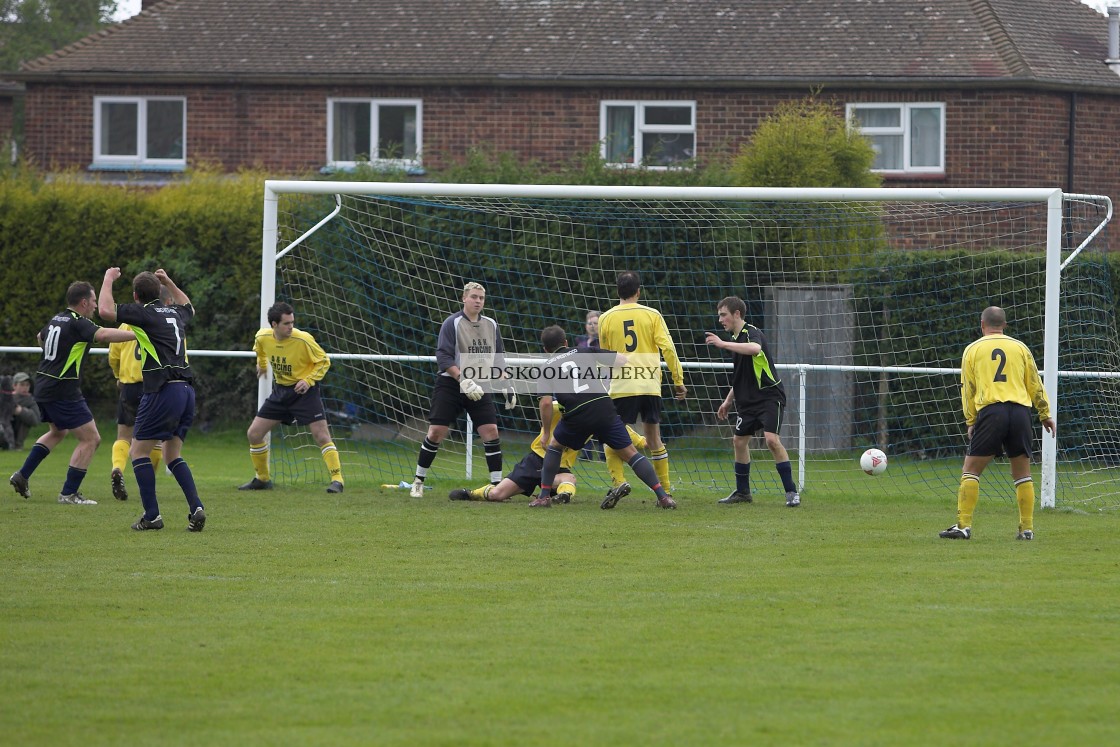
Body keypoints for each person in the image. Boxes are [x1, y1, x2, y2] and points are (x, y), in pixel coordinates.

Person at [98, 268, 206, 532]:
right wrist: (169, 280)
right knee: (172, 455)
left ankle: (152, 516)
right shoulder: (176, 313)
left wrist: (108, 279)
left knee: (137, 451)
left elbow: (105, 311)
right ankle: (196, 508)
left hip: (163, 389)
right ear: (159, 293)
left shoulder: (144, 313)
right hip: (187, 390)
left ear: (136, 296)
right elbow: (188, 306)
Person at [8, 281, 136, 505]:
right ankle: (69, 493)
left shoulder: (57, 318)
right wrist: (138, 335)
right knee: (91, 438)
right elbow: (104, 335)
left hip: (44, 384)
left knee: (58, 432)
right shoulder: (80, 323)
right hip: (63, 388)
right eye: (94, 301)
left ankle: (22, 475)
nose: (96, 306)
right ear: (84, 302)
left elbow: (40, 337)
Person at [939, 306, 1055, 541]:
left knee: (971, 470)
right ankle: (1027, 529)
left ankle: (963, 525)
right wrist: (1045, 414)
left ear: (982, 325)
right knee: (1022, 473)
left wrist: (971, 420)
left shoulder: (972, 350)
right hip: (1021, 413)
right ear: (1005, 326)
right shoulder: (1020, 348)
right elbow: (1035, 383)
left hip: (992, 412)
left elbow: (968, 390)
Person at [529, 325, 675, 510]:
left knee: (555, 447)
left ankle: (543, 497)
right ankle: (663, 497)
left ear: (546, 350)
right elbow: (621, 360)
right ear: (566, 342)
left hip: (577, 414)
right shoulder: (585, 351)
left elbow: (546, 403)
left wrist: (546, 432)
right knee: (631, 453)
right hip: (602, 407)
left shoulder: (547, 367)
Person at [410, 282, 509, 498]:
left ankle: (498, 486)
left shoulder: (491, 324)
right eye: (474, 297)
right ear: (464, 298)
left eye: (481, 298)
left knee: (490, 431)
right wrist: (462, 378)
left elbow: (499, 356)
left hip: (480, 384)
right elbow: (443, 356)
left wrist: (505, 381)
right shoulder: (451, 323)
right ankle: (418, 480)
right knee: (436, 432)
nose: (478, 301)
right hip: (451, 384)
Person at [238, 301, 344, 494]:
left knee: (321, 435)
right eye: (286, 323)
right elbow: (259, 350)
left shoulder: (303, 339)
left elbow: (324, 361)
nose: (291, 327)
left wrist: (308, 380)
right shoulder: (262, 337)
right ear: (274, 325)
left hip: (305, 392)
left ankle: (337, 480)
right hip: (281, 392)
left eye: (292, 322)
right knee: (254, 434)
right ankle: (262, 479)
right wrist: (262, 365)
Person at [704, 296, 801, 507]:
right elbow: (742, 376)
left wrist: (722, 344)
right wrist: (728, 400)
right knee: (739, 441)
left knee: (771, 440)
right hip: (747, 402)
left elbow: (755, 349)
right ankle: (743, 492)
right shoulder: (737, 339)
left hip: (769, 396)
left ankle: (791, 492)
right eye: (719, 315)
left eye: (724, 315)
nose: (720, 320)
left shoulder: (751, 333)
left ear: (737, 314)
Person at [596, 271, 686, 496]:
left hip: (623, 385)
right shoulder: (652, 314)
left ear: (618, 291)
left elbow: (604, 356)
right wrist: (678, 380)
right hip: (649, 384)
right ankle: (664, 491)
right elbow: (668, 348)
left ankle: (618, 483)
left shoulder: (605, 318)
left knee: (611, 435)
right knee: (655, 438)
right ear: (639, 291)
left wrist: (599, 385)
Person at [106, 287, 174, 501]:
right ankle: (147, 482)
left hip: (129, 385)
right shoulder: (165, 324)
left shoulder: (127, 322)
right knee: (154, 439)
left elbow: (113, 355)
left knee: (124, 435)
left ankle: (118, 467)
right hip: (153, 386)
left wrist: (118, 375)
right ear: (165, 301)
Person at [10, 372, 41, 450]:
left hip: (18, 432)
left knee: (27, 417)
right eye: (22, 384)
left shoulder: (31, 401)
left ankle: (17, 445)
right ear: (14, 385)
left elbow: (36, 421)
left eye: (27, 385)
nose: (25, 387)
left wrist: (21, 411)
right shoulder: (6, 398)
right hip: (4, 430)